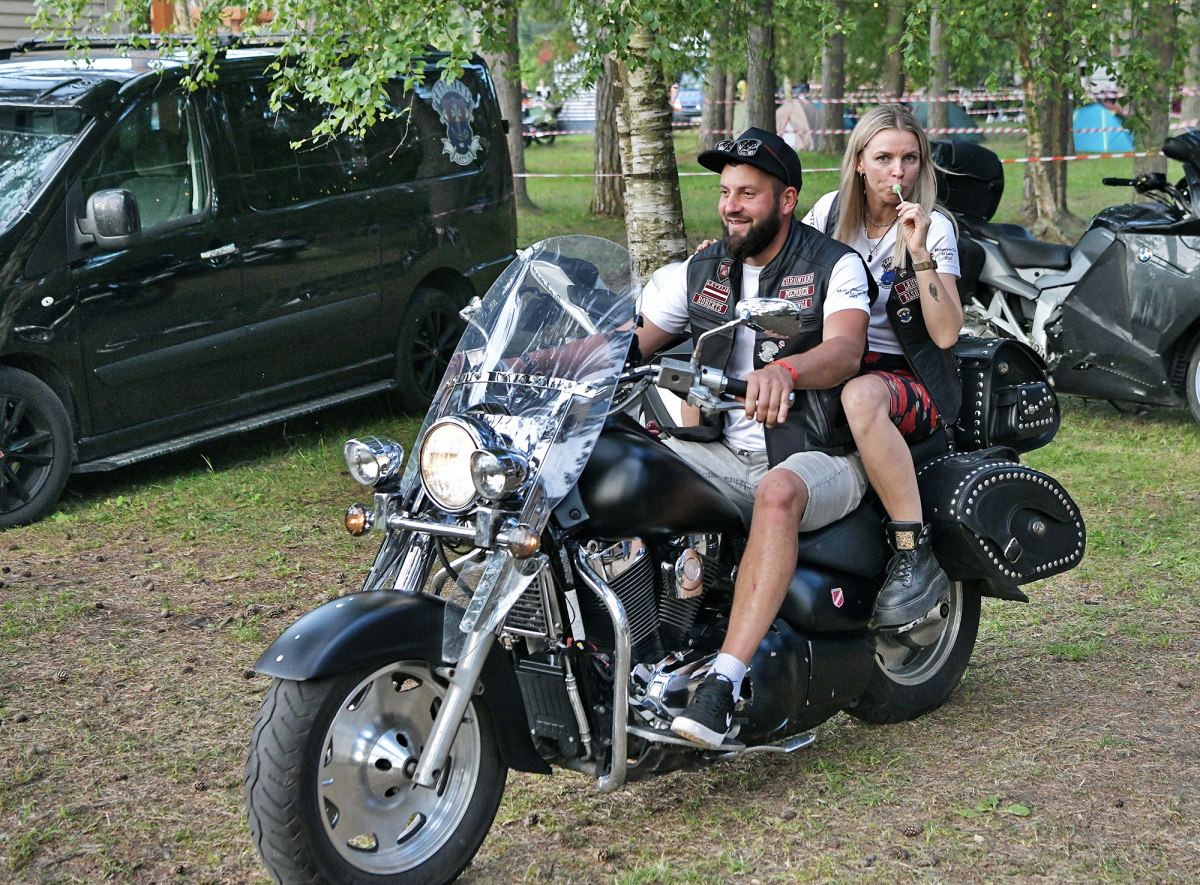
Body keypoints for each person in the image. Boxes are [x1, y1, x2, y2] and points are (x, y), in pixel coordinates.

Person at [635, 127, 875, 749]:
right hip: (721, 449)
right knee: (626, 462)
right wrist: (540, 359)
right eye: (725, 192)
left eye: (748, 194)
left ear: (787, 200)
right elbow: (631, 342)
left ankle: (724, 682)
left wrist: (787, 371)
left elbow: (846, 350)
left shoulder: (834, 266)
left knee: (776, 493)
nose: (731, 206)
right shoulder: (703, 269)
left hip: (819, 451)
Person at [801, 104, 963, 631]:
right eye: (885, 158)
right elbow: (786, 269)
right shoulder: (829, 214)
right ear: (858, 163)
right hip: (839, 356)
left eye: (910, 159)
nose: (899, 172)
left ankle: (913, 549)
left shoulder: (934, 227)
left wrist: (919, 252)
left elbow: (946, 333)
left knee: (861, 395)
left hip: (911, 376)